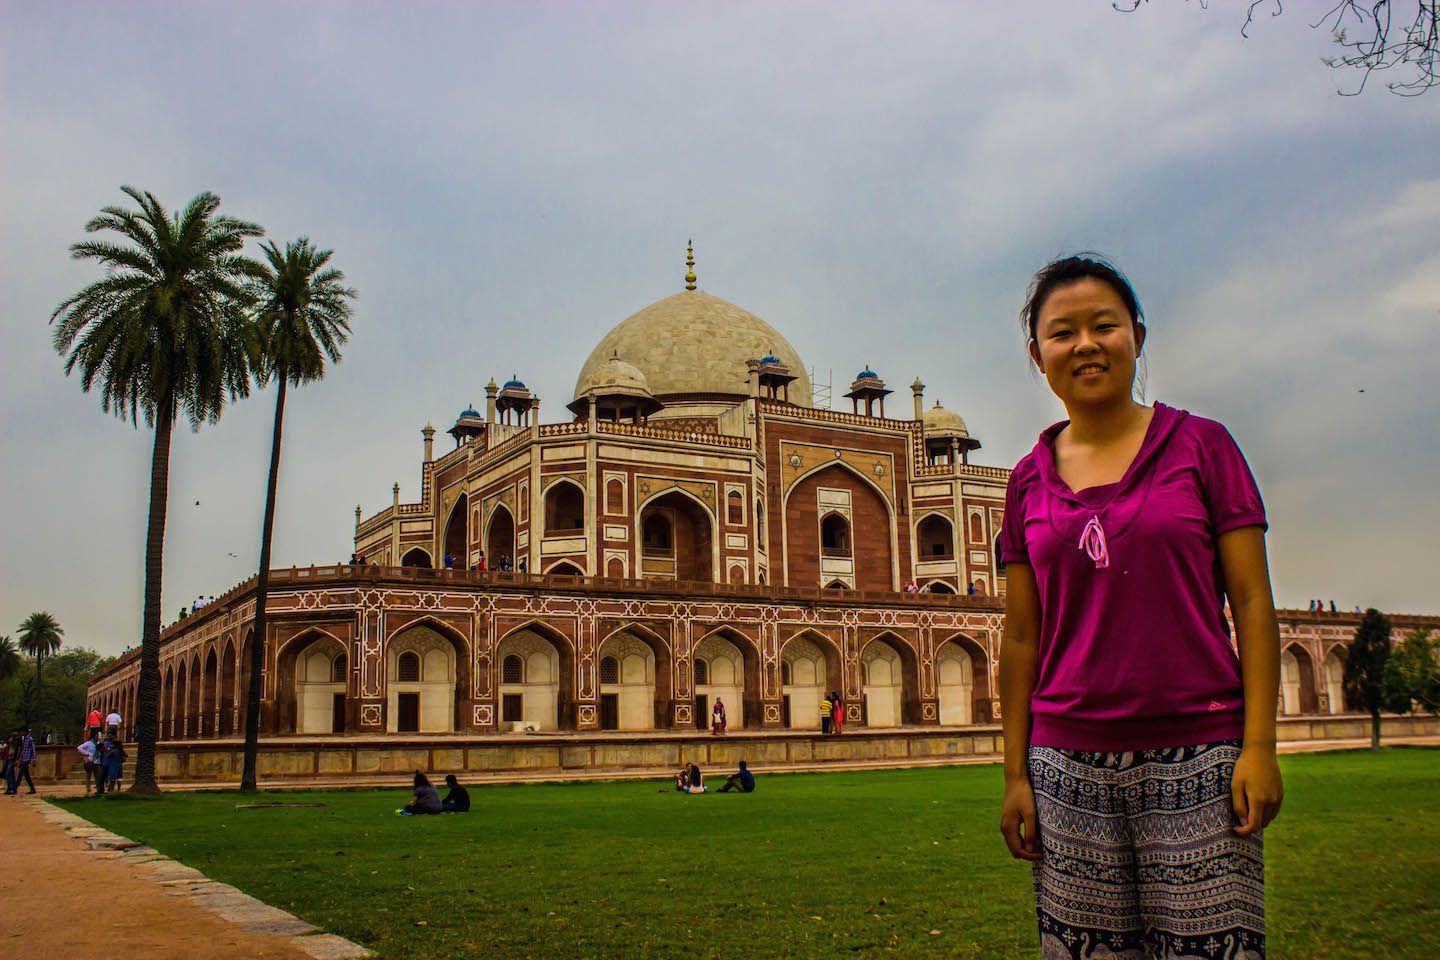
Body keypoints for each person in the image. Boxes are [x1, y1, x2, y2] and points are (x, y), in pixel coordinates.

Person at [997, 255, 1279, 960]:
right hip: (1066, 765)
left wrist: (1260, 746)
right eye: (1063, 333)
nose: (1085, 345)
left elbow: (1250, 601)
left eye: (1104, 326)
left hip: (1201, 756)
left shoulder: (1202, 447)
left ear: (1138, 337)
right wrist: (1013, 775)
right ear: (1038, 354)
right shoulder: (1027, 480)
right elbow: (1023, 637)